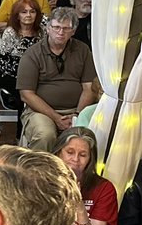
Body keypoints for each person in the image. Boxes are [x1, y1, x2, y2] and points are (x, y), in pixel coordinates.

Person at [16, 8, 97, 152]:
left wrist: (78, 116)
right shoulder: (32, 54)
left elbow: (89, 87)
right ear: (47, 28)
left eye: (66, 28)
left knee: (93, 135)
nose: (61, 32)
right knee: (45, 135)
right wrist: (56, 118)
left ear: (73, 31)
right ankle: (39, 172)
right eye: (56, 27)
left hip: (78, 110)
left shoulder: (83, 50)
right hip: (40, 111)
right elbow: (26, 94)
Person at [54, 127, 117, 225]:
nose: (75, 159)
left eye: (83, 155)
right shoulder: (42, 182)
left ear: (90, 159)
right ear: (59, 153)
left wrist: (78, 204)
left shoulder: (104, 188)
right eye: (69, 152)